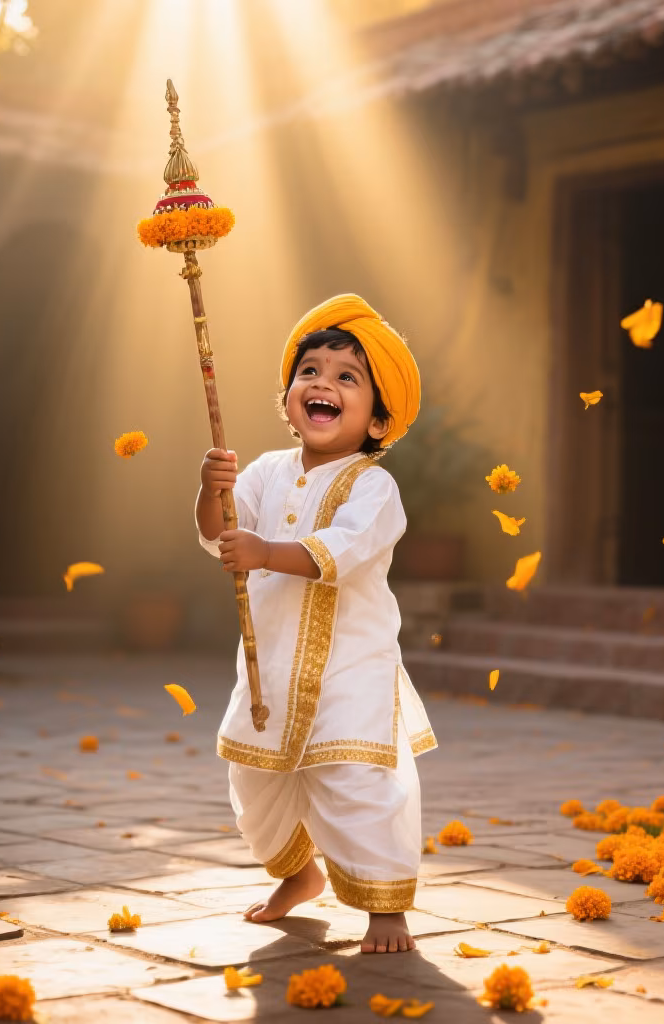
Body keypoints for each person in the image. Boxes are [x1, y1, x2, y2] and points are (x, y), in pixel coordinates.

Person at [195, 293, 436, 954]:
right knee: (255, 782)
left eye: (346, 377)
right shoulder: (268, 471)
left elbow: (341, 552)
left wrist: (265, 553)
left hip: (351, 673)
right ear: (290, 397)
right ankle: (298, 875)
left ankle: (385, 906)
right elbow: (221, 532)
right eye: (310, 372)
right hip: (268, 663)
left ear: (380, 418)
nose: (323, 383)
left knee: (357, 783)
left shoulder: (373, 488)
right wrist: (209, 490)